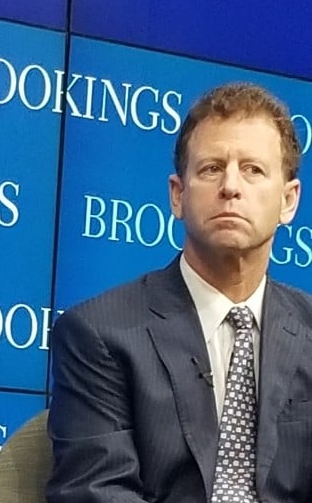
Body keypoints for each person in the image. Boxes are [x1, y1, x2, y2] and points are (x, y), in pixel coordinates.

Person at [47, 82, 312, 502]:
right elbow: (96, 493)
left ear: (289, 201)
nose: (230, 187)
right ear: (177, 195)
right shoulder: (99, 333)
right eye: (211, 168)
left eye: (253, 169)